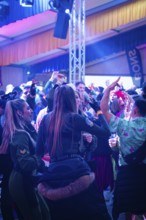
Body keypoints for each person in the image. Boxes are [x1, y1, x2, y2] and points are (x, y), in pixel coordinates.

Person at [36, 84, 111, 220]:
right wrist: (99, 111)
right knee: (92, 213)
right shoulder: (75, 118)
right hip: (78, 172)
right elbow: (106, 132)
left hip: (53, 175)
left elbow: (39, 151)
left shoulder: (46, 119)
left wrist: (49, 169)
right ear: (71, 99)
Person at [100, 77, 146, 220]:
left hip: (126, 174)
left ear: (135, 110)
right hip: (144, 172)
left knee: (127, 208)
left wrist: (108, 89)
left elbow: (103, 108)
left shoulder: (123, 126)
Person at [0, 99, 50, 220]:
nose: (31, 110)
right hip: (22, 181)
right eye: (27, 108)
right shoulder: (20, 134)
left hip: (27, 179)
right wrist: (39, 156)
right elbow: (26, 164)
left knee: (44, 213)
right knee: (34, 215)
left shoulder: (26, 129)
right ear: (19, 113)